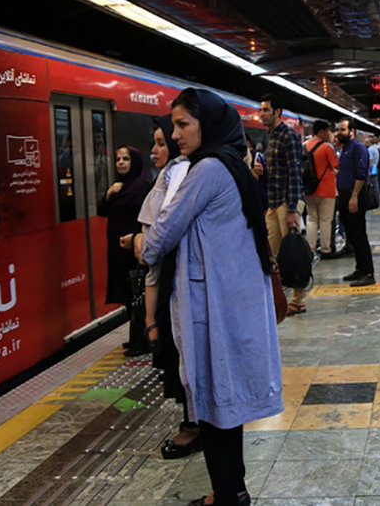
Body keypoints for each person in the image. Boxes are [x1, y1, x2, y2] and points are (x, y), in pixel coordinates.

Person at [142, 88, 282, 506]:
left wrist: (138, 241)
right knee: (224, 404)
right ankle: (231, 490)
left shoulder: (205, 171)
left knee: (213, 403)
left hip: (212, 307)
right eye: (174, 125)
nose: (175, 133)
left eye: (183, 124)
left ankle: (228, 496)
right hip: (229, 300)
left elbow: (157, 240)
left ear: (208, 124)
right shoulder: (232, 163)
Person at [123, 115, 200, 459]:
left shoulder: (184, 178)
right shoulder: (168, 179)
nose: (156, 148)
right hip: (169, 285)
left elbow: (152, 250)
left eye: (162, 142)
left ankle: (195, 426)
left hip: (177, 286)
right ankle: (194, 422)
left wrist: (141, 240)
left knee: (185, 359)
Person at [102, 145, 151, 356]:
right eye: (118, 159)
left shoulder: (141, 187)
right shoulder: (118, 187)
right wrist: (108, 194)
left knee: (138, 294)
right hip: (118, 250)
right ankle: (135, 338)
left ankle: (144, 340)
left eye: (126, 159)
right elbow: (103, 211)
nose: (121, 162)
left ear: (135, 162)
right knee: (129, 295)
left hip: (134, 250)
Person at [296, 119, 338, 316]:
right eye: (328, 130)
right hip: (327, 189)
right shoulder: (326, 147)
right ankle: (327, 248)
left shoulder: (305, 145)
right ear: (322, 131)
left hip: (309, 190)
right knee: (326, 220)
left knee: (312, 219)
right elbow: (335, 166)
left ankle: (310, 248)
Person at [256, 94, 303, 259]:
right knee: (273, 253)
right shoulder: (272, 137)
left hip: (286, 202)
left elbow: (295, 173)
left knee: (291, 252)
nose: (262, 114)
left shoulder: (288, 136)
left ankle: (299, 285)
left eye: (266, 110)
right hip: (273, 203)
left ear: (277, 112)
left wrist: (292, 209)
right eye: (260, 110)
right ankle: (280, 285)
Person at [335, 119, 374, 286]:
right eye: (338, 129)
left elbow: (361, 173)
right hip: (344, 196)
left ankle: (368, 273)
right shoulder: (345, 149)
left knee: (359, 235)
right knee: (351, 235)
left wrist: (354, 196)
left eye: (342, 129)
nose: (339, 133)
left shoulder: (358, 148)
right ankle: (359, 269)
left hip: (354, 197)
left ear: (352, 131)